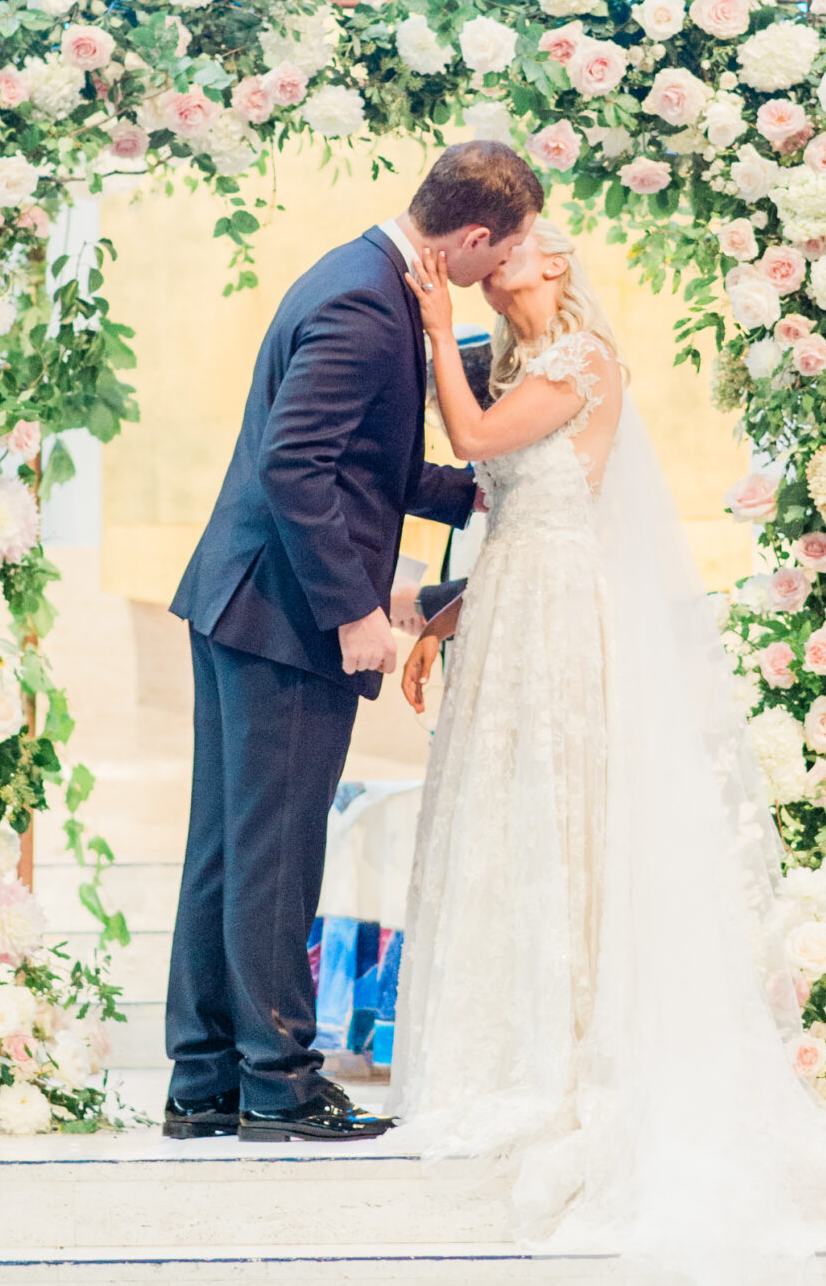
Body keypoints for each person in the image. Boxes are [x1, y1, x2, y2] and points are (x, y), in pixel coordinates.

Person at [394, 219, 826, 1286]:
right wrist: (441, 615)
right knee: (509, 822)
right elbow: (511, 512)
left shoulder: (579, 360)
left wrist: (429, 322)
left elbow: (470, 441)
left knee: (566, 812)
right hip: (512, 605)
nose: (500, 257)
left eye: (522, 244)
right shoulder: (515, 364)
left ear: (554, 267)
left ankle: (571, 1045)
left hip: (563, 618)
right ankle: (515, 1030)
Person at [162, 139, 542, 1144]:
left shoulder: (356, 273)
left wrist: (481, 489)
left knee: (229, 847)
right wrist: (356, 612)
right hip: (286, 614)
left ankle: (204, 1078)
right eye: (503, 247)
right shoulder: (366, 305)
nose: (501, 265)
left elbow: (361, 463)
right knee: (274, 850)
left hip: (241, 599)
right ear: (471, 236)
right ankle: (279, 1082)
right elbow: (295, 468)